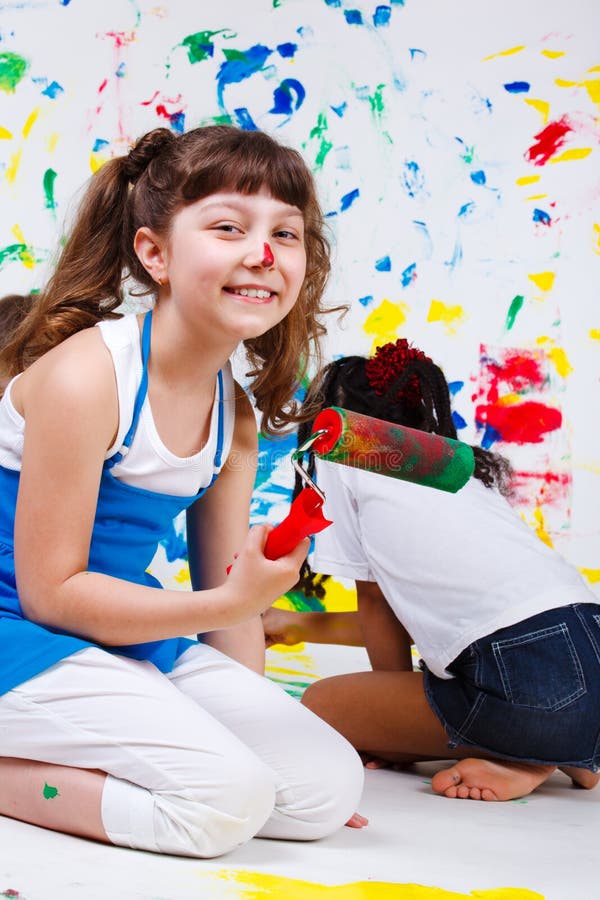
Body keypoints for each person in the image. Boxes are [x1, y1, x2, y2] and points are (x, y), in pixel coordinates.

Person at [0, 125, 366, 857]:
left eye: (285, 233)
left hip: (116, 640)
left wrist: (256, 731)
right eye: (229, 226)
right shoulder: (89, 378)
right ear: (154, 254)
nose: (262, 252)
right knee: (224, 802)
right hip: (20, 635)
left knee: (324, 792)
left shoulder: (235, 415)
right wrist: (229, 603)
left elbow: (228, 602)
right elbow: (49, 594)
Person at [263, 340, 600, 801]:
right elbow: (446, 621)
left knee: (322, 703)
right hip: (588, 641)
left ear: (337, 415)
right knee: (544, 698)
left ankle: (526, 757)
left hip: (526, 684)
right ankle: (576, 752)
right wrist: (297, 624)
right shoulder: (458, 471)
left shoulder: (348, 450)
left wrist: (389, 738)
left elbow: (379, 608)